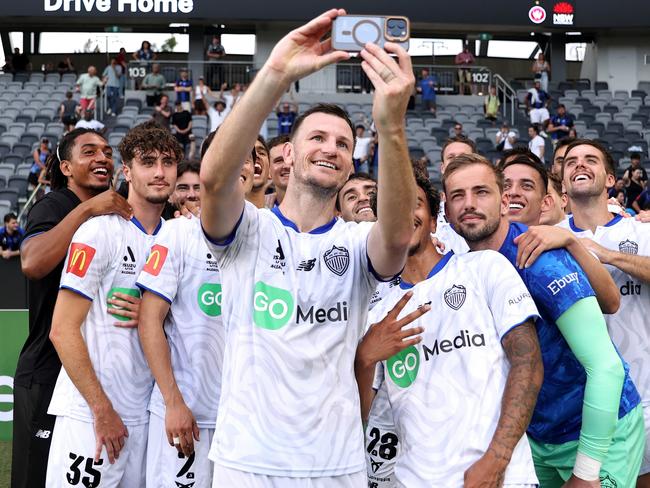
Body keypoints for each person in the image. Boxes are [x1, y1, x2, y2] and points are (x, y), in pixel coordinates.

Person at [199, 9, 417, 485]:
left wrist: (391, 124)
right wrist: (275, 73)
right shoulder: (248, 229)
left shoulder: (358, 241)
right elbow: (215, 182)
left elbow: (399, 237)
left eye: (343, 143)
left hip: (335, 463)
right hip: (249, 460)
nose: (331, 148)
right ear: (289, 155)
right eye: (317, 137)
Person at [444, 153, 644, 487]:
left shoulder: (539, 257)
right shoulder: (464, 268)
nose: (469, 204)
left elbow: (605, 367)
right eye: (457, 196)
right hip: (538, 439)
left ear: (502, 200)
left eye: (481, 192)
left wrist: (587, 471)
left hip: (597, 432)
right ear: (447, 213)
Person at [356, 172, 543, 486]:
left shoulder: (484, 268)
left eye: (413, 204)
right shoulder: (375, 312)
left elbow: (529, 363)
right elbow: (358, 418)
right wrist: (364, 359)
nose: (402, 213)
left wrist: (497, 459)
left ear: (432, 221)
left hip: (501, 477)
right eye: (391, 207)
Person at [45, 122, 181, 487]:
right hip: (91, 416)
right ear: (127, 171)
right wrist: (100, 409)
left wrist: (153, 316)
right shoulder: (99, 231)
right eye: (147, 162)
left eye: (168, 162)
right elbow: (62, 329)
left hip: (147, 417)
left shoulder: (178, 237)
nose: (159, 172)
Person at [11, 129, 133, 488]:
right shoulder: (54, 206)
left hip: (91, 375)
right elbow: (31, 262)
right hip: (48, 370)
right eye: (89, 151)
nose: (102, 158)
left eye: (108, 152)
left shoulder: (115, 215)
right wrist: (87, 209)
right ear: (66, 167)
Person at [136, 148, 252, 488]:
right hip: (187, 414)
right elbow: (149, 320)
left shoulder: (269, 236)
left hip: (242, 422)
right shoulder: (178, 233)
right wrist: (173, 403)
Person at [552, 139, 650, 487]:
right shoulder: (548, 237)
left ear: (610, 180)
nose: (580, 165)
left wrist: (606, 255)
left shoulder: (639, 230)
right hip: (584, 407)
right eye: (572, 162)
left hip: (644, 394)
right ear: (562, 183)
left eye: (590, 160)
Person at [265, 134, 290, 208]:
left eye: (291, 158)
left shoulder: (323, 207)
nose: (287, 166)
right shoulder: (259, 213)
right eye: (279, 161)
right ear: (268, 171)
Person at [246, 136, 271, 209]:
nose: (256, 155)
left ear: (270, 171)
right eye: (248, 153)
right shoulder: (222, 217)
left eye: (261, 153)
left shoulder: (276, 219)